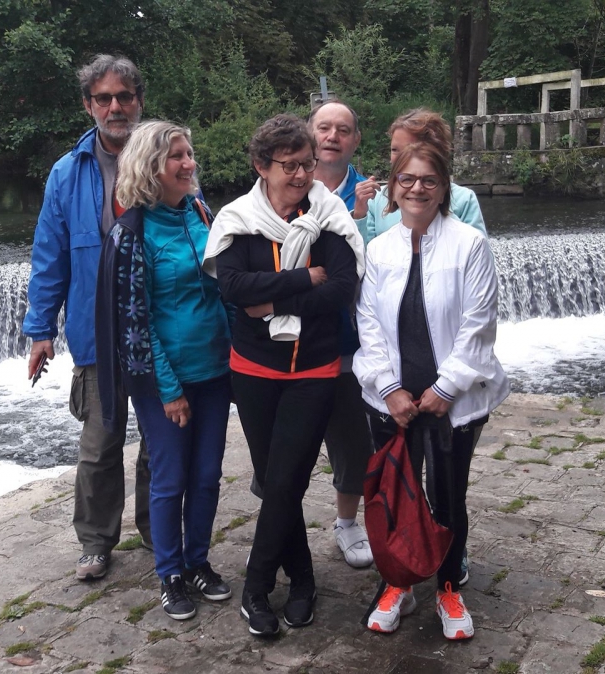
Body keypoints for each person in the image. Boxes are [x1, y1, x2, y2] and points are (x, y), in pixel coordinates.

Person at [202, 114, 363, 637]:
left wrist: (270, 298)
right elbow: (232, 287)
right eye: (289, 166)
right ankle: (302, 580)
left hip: (314, 368)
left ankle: (255, 587)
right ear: (260, 166)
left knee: (286, 475)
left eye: (307, 164)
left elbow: (341, 287)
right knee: (277, 479)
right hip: (252, 371)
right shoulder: (237, 218)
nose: (301, 176)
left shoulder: (330, 213)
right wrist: (300, 277)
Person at [354, 142, 509, 641]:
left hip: (452, 402)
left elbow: (479, 322)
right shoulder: (378, 250)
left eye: (428, 180)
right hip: (393, 402)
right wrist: (390, 387)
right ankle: (397, 582)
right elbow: (368, 325)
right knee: (397, 494)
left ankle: (447, 585)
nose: (417, 188)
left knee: (448, 495)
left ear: (443, 189)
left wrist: (447, 386)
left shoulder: (469, 244)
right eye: (407, 179)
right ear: (393, 189)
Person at [93, 121, 233, 621]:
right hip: (165, 383)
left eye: (190, 153)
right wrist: (169, 390)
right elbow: (137, 320)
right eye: (177, 156)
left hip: (216, 373)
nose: (189, 164)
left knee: (208, 475)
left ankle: (198, 561)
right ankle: (169, 573)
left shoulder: (199, 212)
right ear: (152, 166)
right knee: (171, 478)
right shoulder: (132, 233)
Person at [22, 54, 152, 582]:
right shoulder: (66, 171)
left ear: (139, 101)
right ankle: (96, 542)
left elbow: (197, 234)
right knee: (99, 446)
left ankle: (158, 528)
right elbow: (48, 254)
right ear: (89, 105)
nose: (115, 106)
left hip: (158, 328)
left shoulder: (166, 155)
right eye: (104, 98)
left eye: (124, 96)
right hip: (96, 331)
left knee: (161, 440)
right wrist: (39, 330)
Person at [307, 100, 375, 568]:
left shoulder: (377, 196)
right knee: (287, 444)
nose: (333, 136)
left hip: (357, 345)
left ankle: (348, 524)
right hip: (298, 344)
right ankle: (280, 528)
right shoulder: (288, 186)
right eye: (324, 128)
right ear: (310, 134)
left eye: (343, 129)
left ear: (354, 140)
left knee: (353, 443)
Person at [353, 108, 487, 244]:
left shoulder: (463, 199)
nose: (399, 158)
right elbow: (363, 257)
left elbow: (478, 251)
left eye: (409, 149)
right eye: (394, 150)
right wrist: (359, 215)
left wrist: (437, 209)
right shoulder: (376, 199)